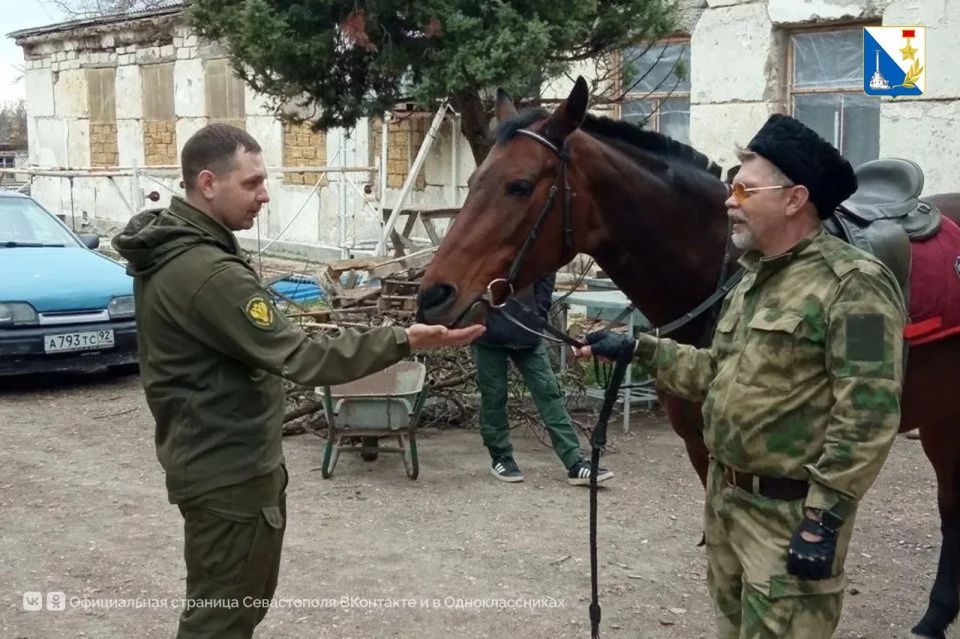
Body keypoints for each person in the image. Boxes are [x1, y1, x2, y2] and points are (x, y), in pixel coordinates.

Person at [112, 123, 483, 639]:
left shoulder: (180, 251)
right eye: (252, 183)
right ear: (207, 183)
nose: (265, 195)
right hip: (229, 471)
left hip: (215, 459)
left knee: (233, 610)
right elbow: (305, 359)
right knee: (221, 620)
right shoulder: (207, 273)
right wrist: (405, 339)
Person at [578, 114, 906, 637]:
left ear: (795, 199)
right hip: (728, 506)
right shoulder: (750, 281)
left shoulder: (856, 287)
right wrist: (636, 349)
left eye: (744, 188)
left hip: (790, 518)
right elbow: (717, 371)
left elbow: (868, 413)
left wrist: (824, 519)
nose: (729, 201)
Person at [472, 273, 613, 485]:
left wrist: (538, 312)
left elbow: (545, 272)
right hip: (487, 332)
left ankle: (574, 461)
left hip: (527, 331)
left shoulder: (532, 241)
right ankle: (501, 457)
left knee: (549, 392)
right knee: (494, 395)